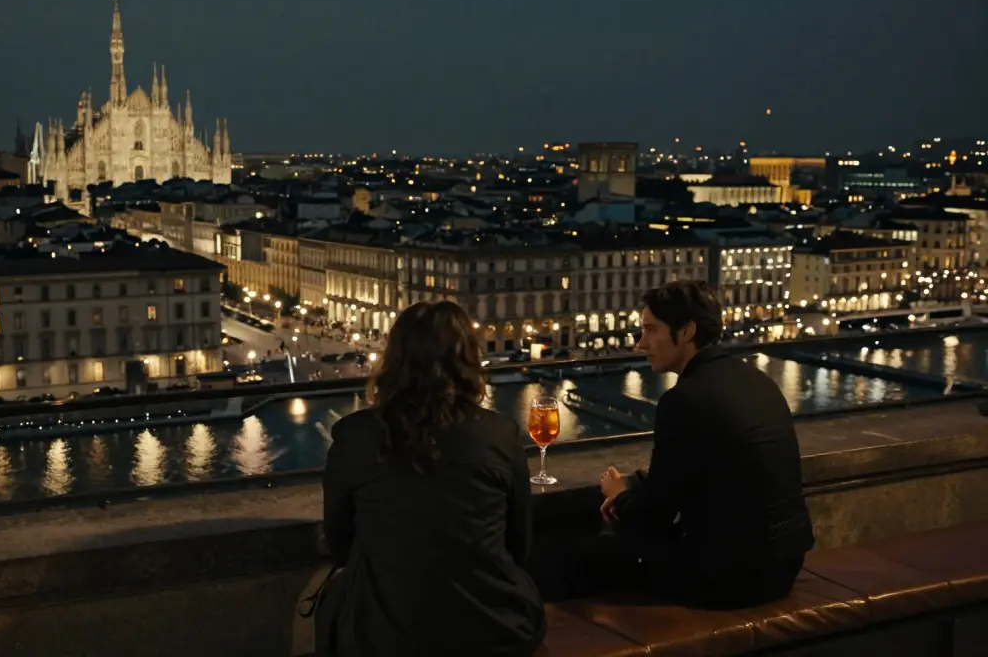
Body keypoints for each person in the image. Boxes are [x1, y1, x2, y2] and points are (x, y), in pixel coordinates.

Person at [313, 301, 544, 657]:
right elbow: (521, 545)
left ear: (393, 359)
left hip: (384, 639)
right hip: (496, 631)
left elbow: (340, 543)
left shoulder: (353, 436)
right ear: (469, 360)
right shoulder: (500, 434)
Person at [566, 280, 814, 609]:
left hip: (729, 577)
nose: (641, 344)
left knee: (578, 556)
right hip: (784, 563)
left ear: (686, 332)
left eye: (650, 330)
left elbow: (654, 517)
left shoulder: (684, 399)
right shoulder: (757, 380)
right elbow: (703, 473)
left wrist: (619, 495)